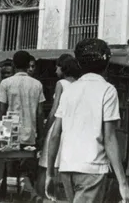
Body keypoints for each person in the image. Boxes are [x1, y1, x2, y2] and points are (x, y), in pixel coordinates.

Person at [46, 38, 129, 203]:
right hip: (92, 168)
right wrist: (123, 183)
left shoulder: (69, 91)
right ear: (107, 63)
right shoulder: (107, 90)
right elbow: (109, 138)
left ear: (78, 64)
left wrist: (49, 173)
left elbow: (55, 135)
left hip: (67, 167)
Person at [37, 54, 81, 194]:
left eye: (57, 66)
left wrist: (45, 129)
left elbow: (54, 110)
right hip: (71, 127)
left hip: (58, 125)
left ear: (63, 68)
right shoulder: (79, 84)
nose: (55, 70)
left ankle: (43, 194)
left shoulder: (60, 84)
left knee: (46, 163)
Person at [0, 50, 45, 147]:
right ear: (28, 64)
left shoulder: (6, 83)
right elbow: (40, 113)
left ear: (13, 64)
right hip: (29, 135)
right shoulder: (37, 84)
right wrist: (41, 136)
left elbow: (1, 110)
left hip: (8, 134)